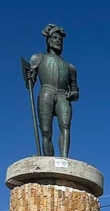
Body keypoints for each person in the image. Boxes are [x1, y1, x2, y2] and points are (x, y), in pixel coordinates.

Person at [27, 24, 80, 157]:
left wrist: (72, 94)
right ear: (48, 40)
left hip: (63, 95)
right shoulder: (39, 58)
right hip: (46, 91)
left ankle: (64, 159)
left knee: (65, 125)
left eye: (60, 39)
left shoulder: (70, 67)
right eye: (55, 38)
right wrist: (30, 77)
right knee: (46, 131)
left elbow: (75, 91)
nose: (58, 41)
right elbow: (30, 84)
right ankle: (48, 159)